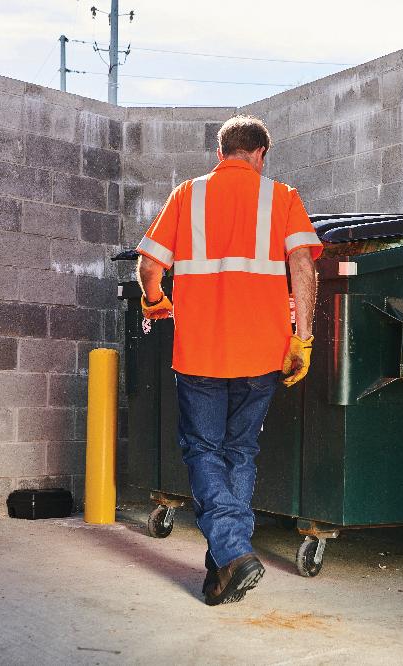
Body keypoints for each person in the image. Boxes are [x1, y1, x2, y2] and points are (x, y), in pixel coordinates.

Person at [135, 115, 322, 605]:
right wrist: (303, 339)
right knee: (239, 452)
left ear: (220, 153)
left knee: (203, 450)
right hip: (262, 354)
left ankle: (233, 553)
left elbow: (150, 265)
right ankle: (225, 564)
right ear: (261, 154)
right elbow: (303, 265)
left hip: (200, 352)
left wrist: (155, 301)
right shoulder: (282, 197)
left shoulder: (188, 194)